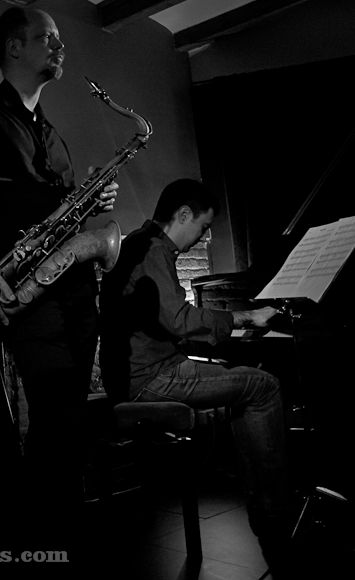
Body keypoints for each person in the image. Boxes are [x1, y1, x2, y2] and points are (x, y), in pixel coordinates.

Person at [0, 7, 118, 521]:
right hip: (28, 292)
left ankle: (55, 525)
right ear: (14, 47)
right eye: (48, 37)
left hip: (75, 291)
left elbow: (57, 213)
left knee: (68, 420)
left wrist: (92, 200)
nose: (61, 47)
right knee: (57, 416)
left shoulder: (53, 135)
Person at [100, 178, 293, 554]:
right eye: (203, 227)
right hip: (151, 378)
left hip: (144, 371)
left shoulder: (139, 243)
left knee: (247, 383)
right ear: (183, 214)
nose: (204, 237)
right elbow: (179, 320)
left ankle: (264, 503)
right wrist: (245, 318)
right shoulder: (152, 249)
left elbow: (165, 320)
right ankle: (274, 514)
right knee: (263, 386)